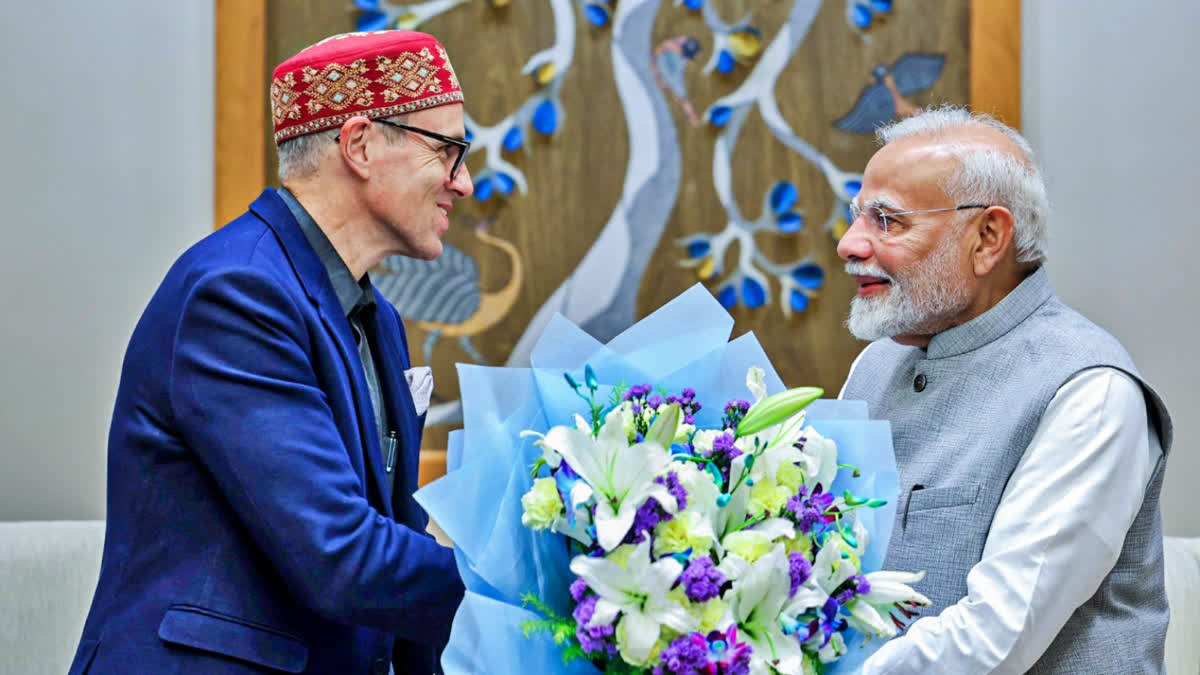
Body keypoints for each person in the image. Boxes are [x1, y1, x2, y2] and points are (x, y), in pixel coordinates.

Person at [70, 30, 473, 674]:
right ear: (361, 145)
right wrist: (536, 582)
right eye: (448, 151)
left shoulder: (379, 320)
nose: (465, 182)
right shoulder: (238, 295)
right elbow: (340, 557)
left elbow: (388, 541)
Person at [837, 106, 1172, 674]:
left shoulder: (1091, 391)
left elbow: (994, 640)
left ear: (988, 238)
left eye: (887, 220)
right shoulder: (874, 367)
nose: (849, 244)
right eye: (855, 217)